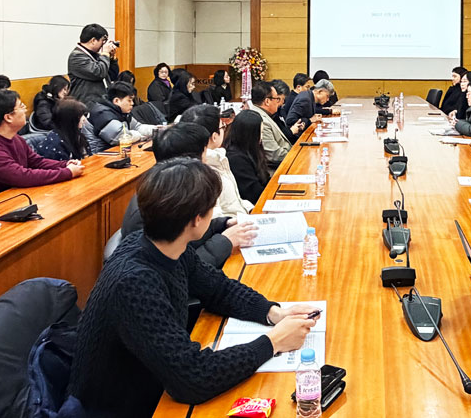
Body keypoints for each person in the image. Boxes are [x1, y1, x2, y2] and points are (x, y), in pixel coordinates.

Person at [67, 157, 318, 416]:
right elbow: (193, 378)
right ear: (197, 219)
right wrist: (273, 342)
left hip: (152, 384)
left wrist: (273, 312)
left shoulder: (169, 246)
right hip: (123, 407)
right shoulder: (133, 283)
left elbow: (218, 289)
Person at [120, 122, 256, 268]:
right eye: (205, 153)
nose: (206, 160)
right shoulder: (161, 204)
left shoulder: (168, 188)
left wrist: (222, 224)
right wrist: (225, 241)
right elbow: (181, 270)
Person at [0, 90, 83, 206]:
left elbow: (36, 162)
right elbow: (23, 177)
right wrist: (67, 172)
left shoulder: (14, 138)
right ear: (8, 117)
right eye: (21, 106)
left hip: (9, 198)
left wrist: (64, 164)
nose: (26, 110)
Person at [181, 105, 255, 218]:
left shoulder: (218, 158)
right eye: (223, 127)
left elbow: (234, 201)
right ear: (214, 136)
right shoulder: (204, 171)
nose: (225, 130)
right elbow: (216, 219)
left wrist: (251, 210)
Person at [89, 82, 156, 151]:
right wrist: (141, 136)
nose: (132, 103)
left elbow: (137, 127)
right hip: (97, 156)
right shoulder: (102, 113)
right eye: (129, 100)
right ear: (116, 101)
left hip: (114, 153)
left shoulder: (122, 112)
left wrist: (157, 130)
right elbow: (121, 137)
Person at [223, 111, 271, 204]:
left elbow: (265, 178)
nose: (261, 137)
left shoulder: (252, 148)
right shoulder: (236, 159)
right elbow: (253, 194)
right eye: (260, 133)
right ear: (251, 135)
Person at [68, 23, 119, 106]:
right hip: (86, 105)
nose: (103, 44)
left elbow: (113, 75)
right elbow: (99, 72)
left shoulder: (96, 55)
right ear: (93, 41)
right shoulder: (76, 56)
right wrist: (105, 53)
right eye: (103, 40)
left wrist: (112, 59)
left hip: (102, 102)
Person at [247, 81, 292, 170]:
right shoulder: (261, 120)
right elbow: (274, 154)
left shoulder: (265, 114)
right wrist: (296, 154)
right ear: (267, 101)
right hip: (275, 169)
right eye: (277, 99)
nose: (280, 103)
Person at [269, 79, 304, 144]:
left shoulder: (279, 110)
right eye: (282, 99)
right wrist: (291, 131)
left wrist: (295, 128)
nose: (283, 103)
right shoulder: (270, 114)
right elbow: (279, 137)